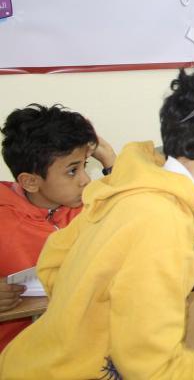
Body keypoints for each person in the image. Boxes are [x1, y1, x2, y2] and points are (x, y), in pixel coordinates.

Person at [0, 60, 194, 378]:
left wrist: (104, 321)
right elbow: (154, 372)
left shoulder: (131, 181)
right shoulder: (162, 221)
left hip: (32, 361)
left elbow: (53, 264)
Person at [0, 104, 116, 350]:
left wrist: (109, 158)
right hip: (18, 354)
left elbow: (137, 216)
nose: (86, 179)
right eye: (72, 171)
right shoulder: (4, 223)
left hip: (84, 344)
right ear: (30, 182)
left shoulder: (86, 204)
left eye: (85, 165)